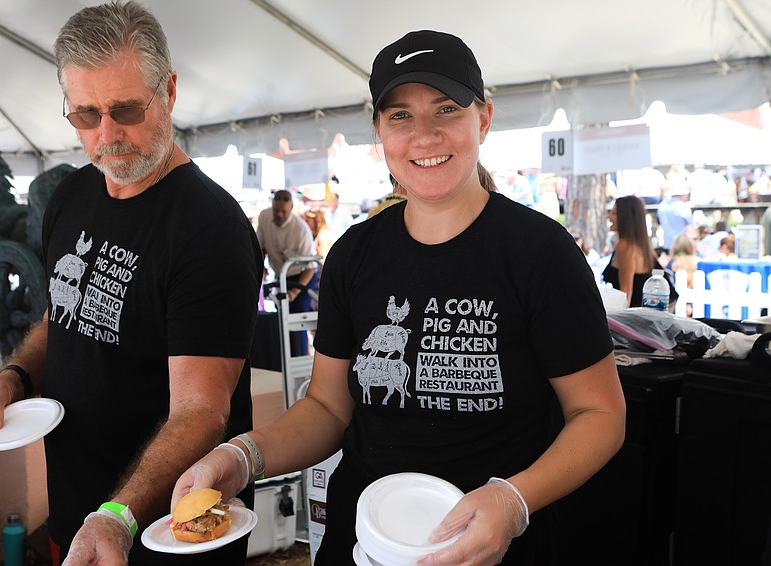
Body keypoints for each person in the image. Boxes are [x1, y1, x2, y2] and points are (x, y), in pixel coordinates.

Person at [171, 30, 626, 566]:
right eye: (400, 116)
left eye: (447, 109)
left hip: (487, 544)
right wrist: (242, 456)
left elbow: (600, 413)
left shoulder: (540, 253)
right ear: (379, 132)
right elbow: (326, 408)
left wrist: (515, 500)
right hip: (364, 536)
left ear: (483, 119)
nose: (424, 136)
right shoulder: (354, 254)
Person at [0, 3, 262, 565]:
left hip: (167, 530)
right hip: (77, 512)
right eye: (86, 115)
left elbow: (201, 412)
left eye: (125, 109)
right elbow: (64, 313)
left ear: (168, 91)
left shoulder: (209, 230)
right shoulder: (71, 197)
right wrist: (17, 374)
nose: (108, 135)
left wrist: (117, 515)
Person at [257, 189, 318, 354]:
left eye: (283, 211)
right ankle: (283, 360)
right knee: (281, 320)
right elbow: (260, 248)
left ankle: (299, 360)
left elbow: (310, 269)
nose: (279, 214)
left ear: (291, 208)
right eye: (276, 210)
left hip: (302, 278)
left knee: (296, 320)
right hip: (281, 276)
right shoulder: (264, 217)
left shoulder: (301, 230)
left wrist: (294, 293)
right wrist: (260, 266)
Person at [602, 195, 661, 307]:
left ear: (625, 217)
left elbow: (626, 292)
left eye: (614, 213)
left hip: (630, 315)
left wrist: (619, 321)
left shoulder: (625, 246)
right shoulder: (640, 246)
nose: (609, 217)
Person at [657, 185, 693, 253]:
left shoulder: (662, 205)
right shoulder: (682, 206)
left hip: (667, 242)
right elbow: (690, 224)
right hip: (681, 244)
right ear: (682, 195)